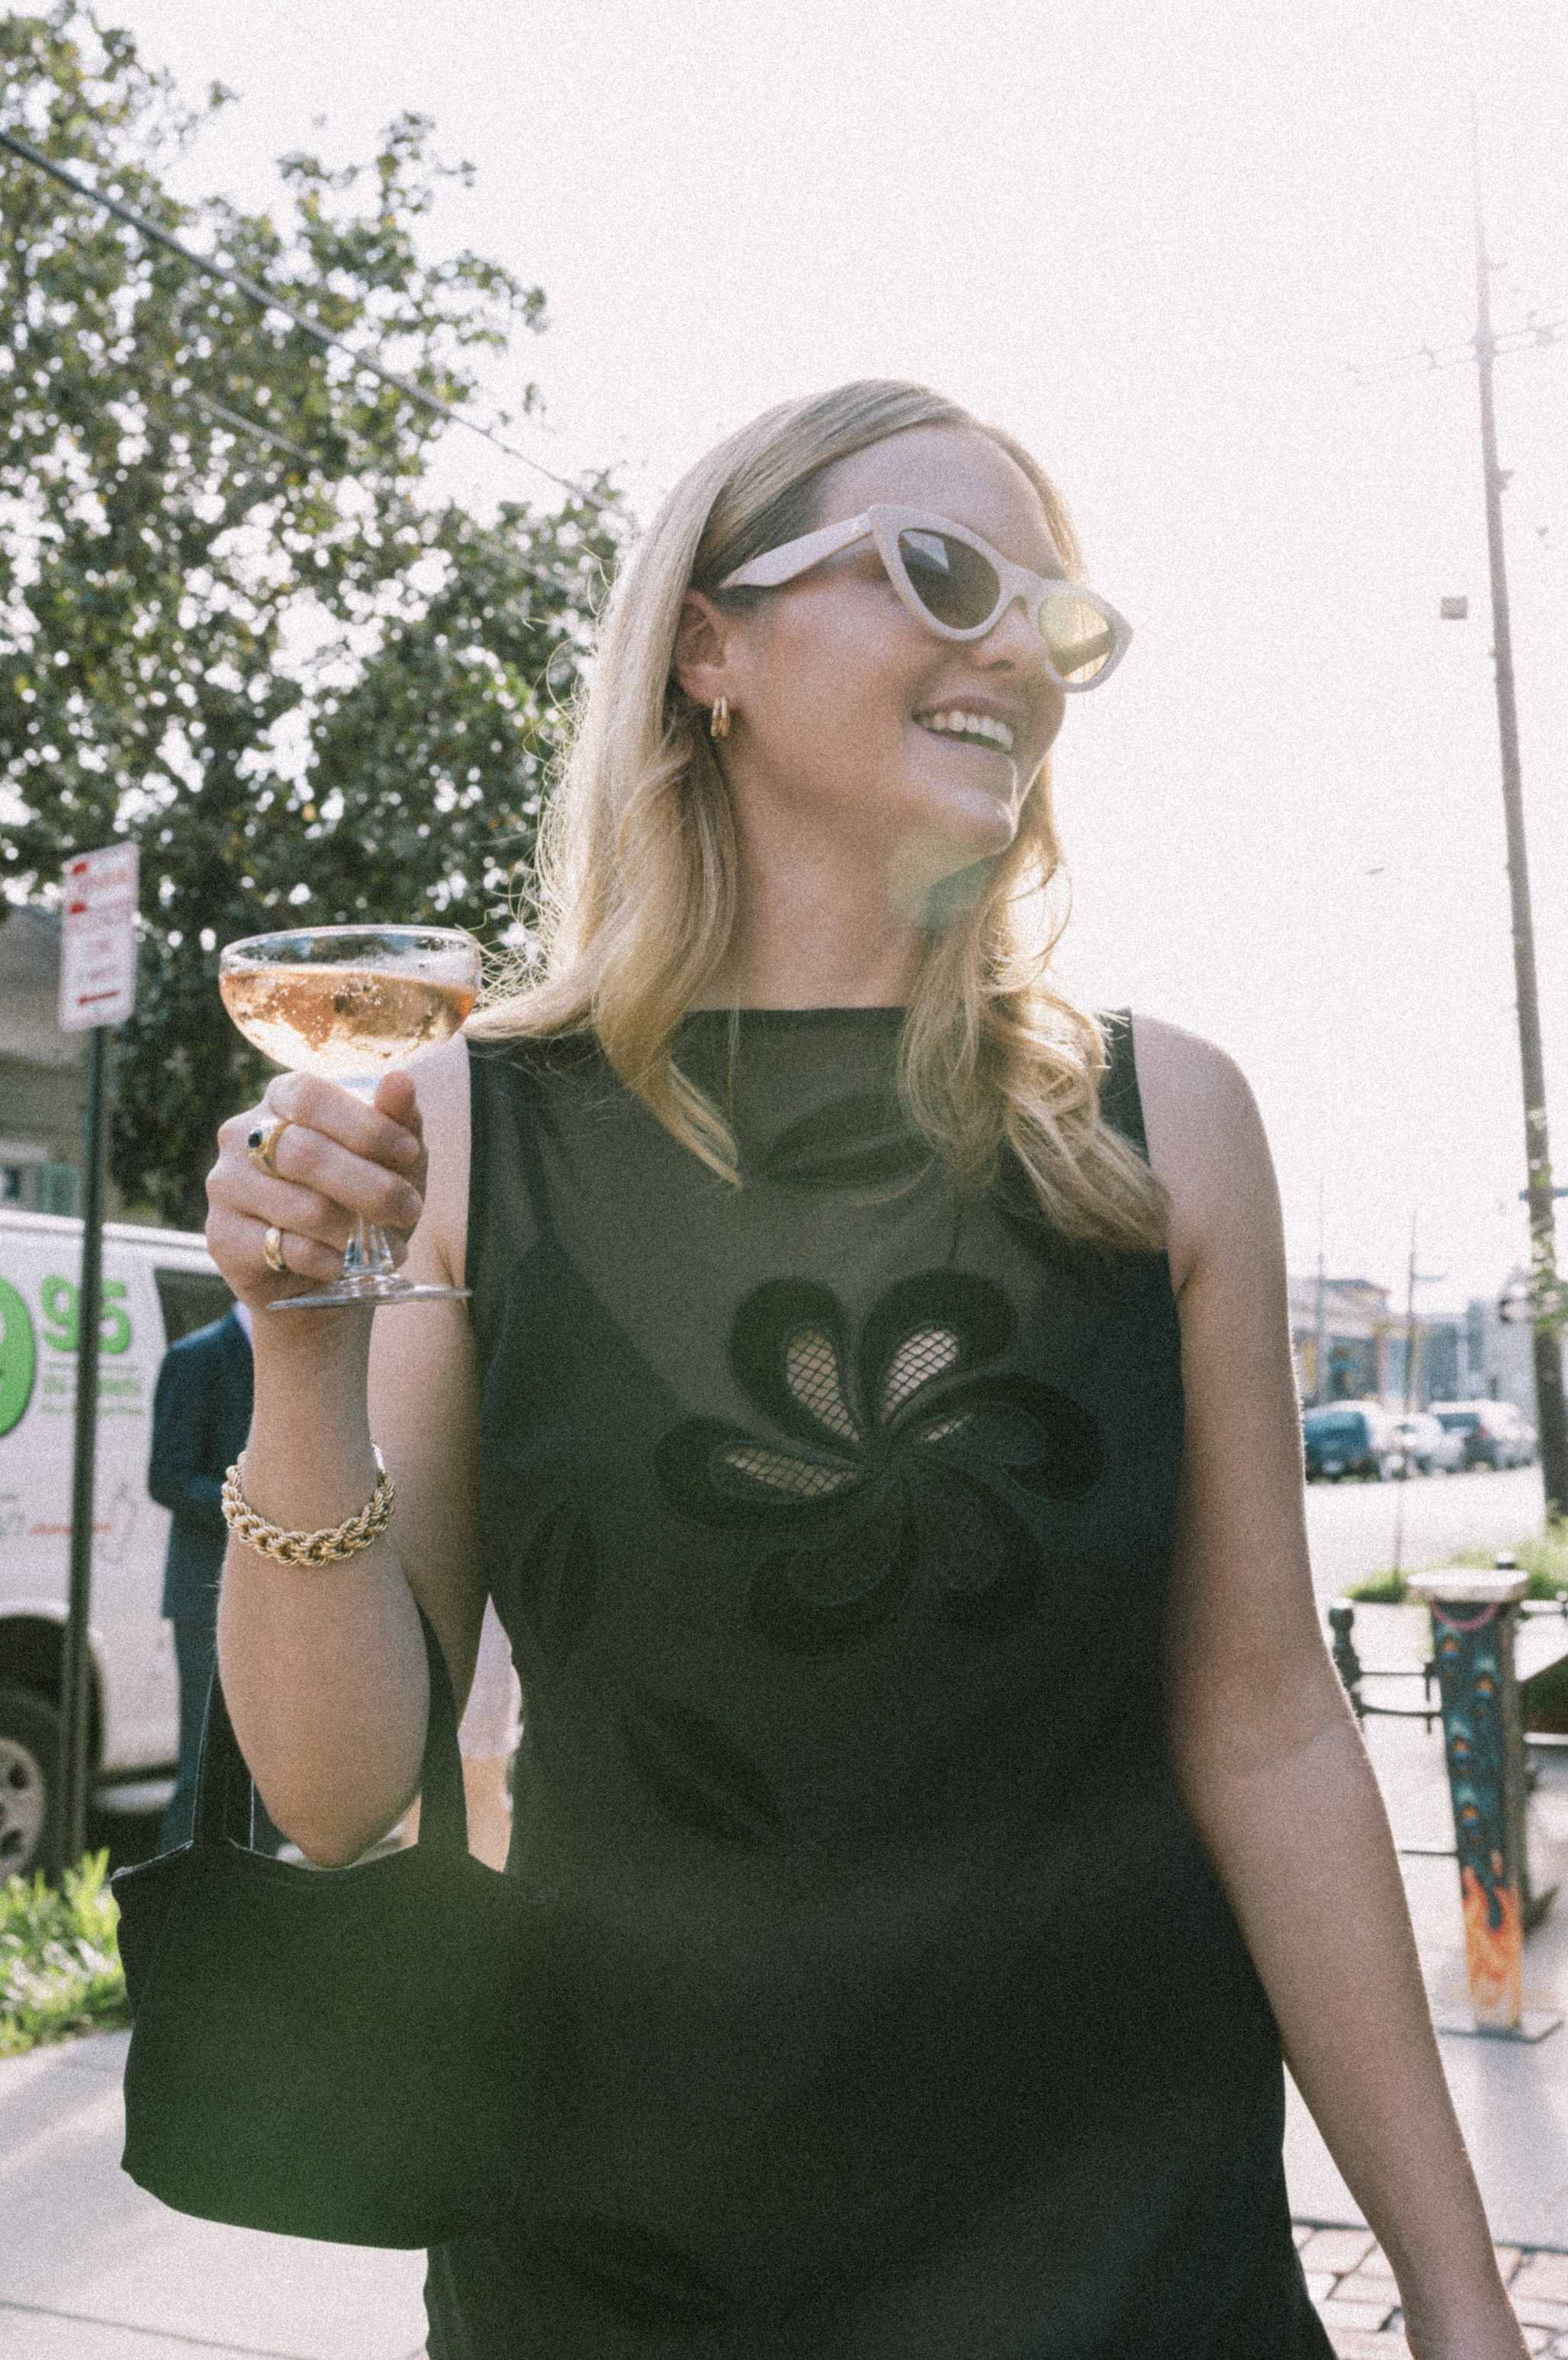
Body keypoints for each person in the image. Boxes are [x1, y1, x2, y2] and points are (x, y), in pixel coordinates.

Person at [204, 381, 1527, 2359]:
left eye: (1055, 619)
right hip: (620, 2261)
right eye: (941, 570)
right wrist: (297, 1361)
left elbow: (1268, 1726)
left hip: (1127, 2256)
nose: (1015, 646)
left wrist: (1457, 2292)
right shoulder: (476, 1124)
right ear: (706, 646)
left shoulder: (1163, 1121)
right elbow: (332, 1800)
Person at [146, 1299, 280, 1854]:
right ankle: (177, 1926)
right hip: (207, 1595)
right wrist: (256, 1507)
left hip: (279, 1595)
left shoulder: (296, 1356)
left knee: (275, 1774)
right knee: (203, 1775)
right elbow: (168, 1477)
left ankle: (260, 1918)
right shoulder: (195, 1356)